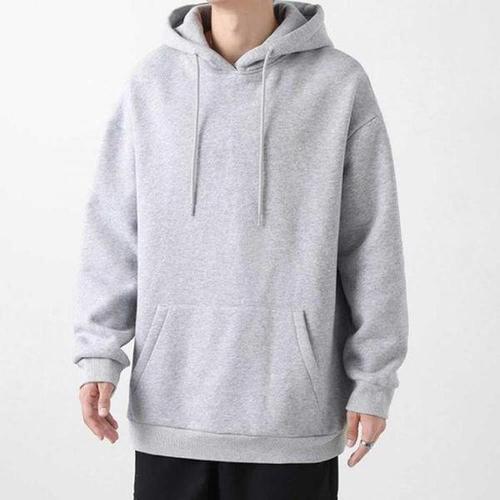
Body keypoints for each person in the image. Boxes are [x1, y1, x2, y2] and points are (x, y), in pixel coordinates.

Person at [74, 1, 408, 498]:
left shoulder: (339, 85)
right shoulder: (151, 83)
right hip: (172, 407)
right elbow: (114, 230)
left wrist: (374, 379)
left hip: (291, 418)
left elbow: (371, 242)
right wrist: (98, 353)